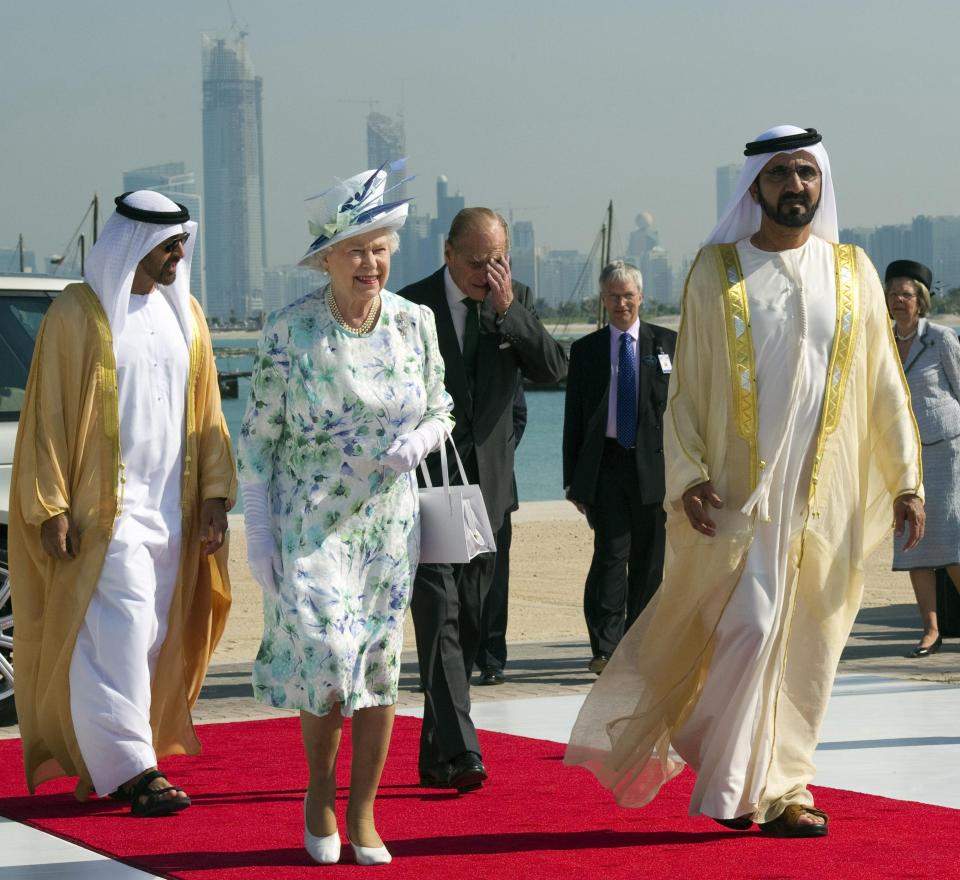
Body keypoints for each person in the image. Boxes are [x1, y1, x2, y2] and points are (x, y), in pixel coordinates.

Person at [565, 125, 925, 838]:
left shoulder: (852, 269)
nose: (796, 187)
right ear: (755, 186)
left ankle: (777, 788)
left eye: (807, 174)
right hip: (740, 496)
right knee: (748, 627)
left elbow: (886, 385)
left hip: (825, 495)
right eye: (781, 175)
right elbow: (688, 392)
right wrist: (691, 474)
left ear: (821, 183)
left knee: (810, 642)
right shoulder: (716, 271)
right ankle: (722, 758)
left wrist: (907, 480)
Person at [237, 164, 453, 865]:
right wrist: (260, 532)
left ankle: (363, 813)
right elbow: (259, 440)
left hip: (386, 524)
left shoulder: (416, 323)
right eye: (356, 248)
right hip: (310, 521)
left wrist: (418, 440)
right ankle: (319, 792)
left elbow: (442, 408)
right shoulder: (288, 331)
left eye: (381, 245)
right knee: (331, 659)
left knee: (378, 668)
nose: (372, 261)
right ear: (326, 258)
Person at [10, 191, 235, 817]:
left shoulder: (185, 313)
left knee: (153, 635)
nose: (179, 254)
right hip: (103, 513)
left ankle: (112, 756)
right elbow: (46, 416)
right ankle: (133, 769)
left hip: (172, 509)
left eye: (181, 243)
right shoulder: (78, 315)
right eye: (169, 245)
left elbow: (208, 413)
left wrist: (215, 495)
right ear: (134, 244)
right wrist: (51, 504)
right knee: (123, 627)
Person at [399, 208, 567, 791]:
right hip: (430, 486)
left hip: (488, 491)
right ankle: (466, 752)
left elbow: (552, 367)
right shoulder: (409, 305)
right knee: (439, 612)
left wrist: (507, 311)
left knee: (469, 621)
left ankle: (437, 753)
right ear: (447, 253)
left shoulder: (511, 299)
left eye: (497, 261)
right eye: (475, 262)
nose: (486, 272)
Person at [563, 260, 676, 675]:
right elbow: (573, 418)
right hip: (607, 466)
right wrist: (573, 480)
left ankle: (641, 643)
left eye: (628, 295)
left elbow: (684, 413)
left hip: (655, 469)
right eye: (613, 296)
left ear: (641, 297)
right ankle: (606, 648)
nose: (621, 303)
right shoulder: (586, 350)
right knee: (610, 556)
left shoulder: (668, 344)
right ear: (603, 299)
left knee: (650, 561)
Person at [885, 259, 960, 657]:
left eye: (906, 293)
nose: (898, 300)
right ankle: (930, 631)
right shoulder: (880, 341)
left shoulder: (941, 338)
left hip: (947, 451)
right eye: (893, 292)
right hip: (904, 457)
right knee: (914, 541)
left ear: (921, 300)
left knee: (950, 539)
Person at [475, 380, 527, 686]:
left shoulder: (503, 358)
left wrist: (497, 455)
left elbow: (518, 415)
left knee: (495, 579)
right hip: (452, 482)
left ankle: (492, 660)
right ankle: (453, 659)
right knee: (449, 579)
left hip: (498, 484)